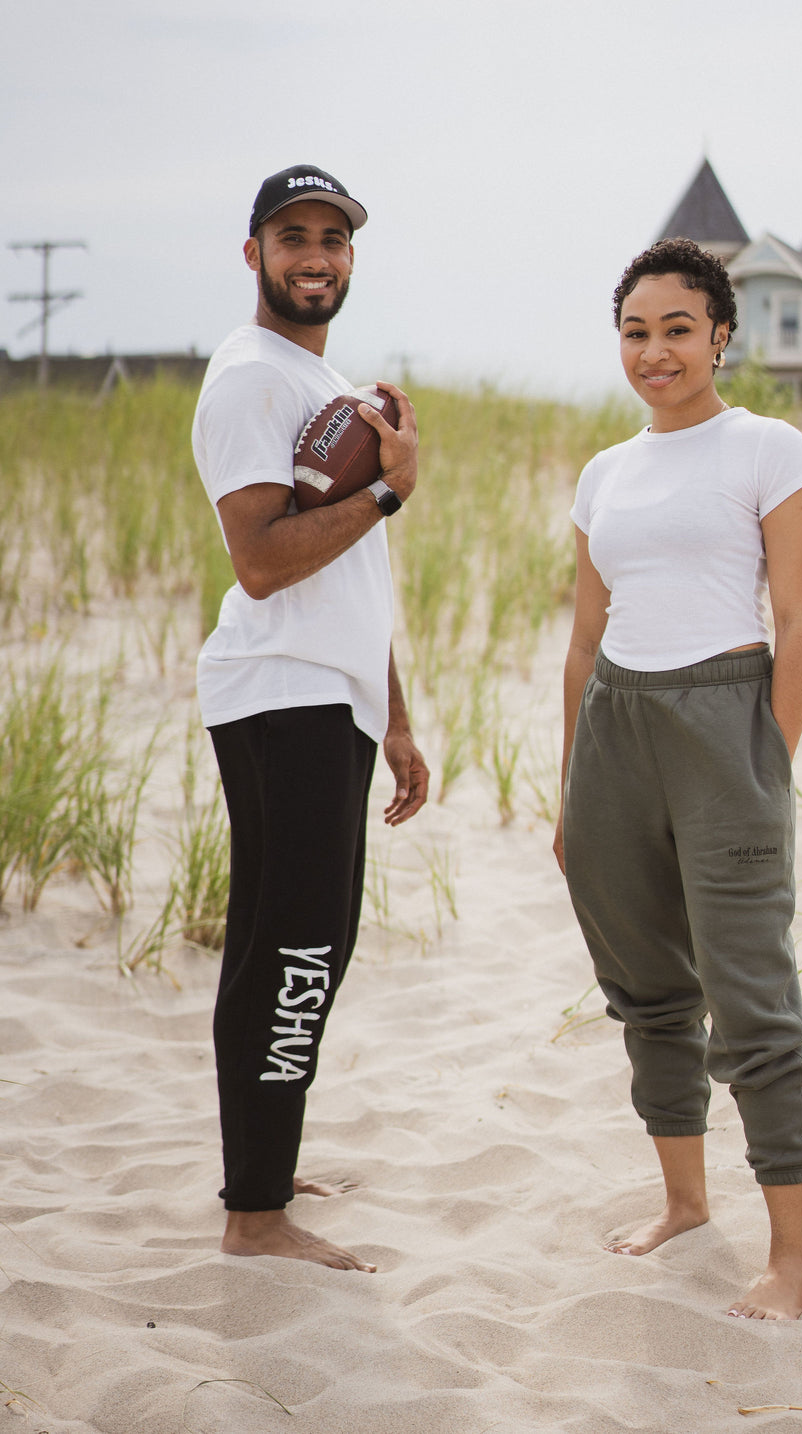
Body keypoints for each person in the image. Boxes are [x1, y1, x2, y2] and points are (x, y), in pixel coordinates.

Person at [553, 237, 802, 1320]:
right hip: (614, 731)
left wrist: (769, 759)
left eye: (677, 329)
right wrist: (571, 786)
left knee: (752, 995)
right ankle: (685, 1202)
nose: (655, 351)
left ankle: (792, 1257)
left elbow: (799, 620)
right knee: (646, 988)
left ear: (720, 336)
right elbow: (584, 640)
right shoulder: (603, 473)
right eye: (635, 331)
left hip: (726, 723)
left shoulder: (769, 448)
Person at [192, 163, 429, 1272]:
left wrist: (395, 716)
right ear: (255, 254)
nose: (316, 257)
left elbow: (351, 578)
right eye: (293, 237)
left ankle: (265, 1168)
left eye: (332, 238)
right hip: (279, 694)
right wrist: (386, 491)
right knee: (291, 952)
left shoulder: (315, 378)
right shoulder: (252, 377)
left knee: (307, 948)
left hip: (329, 698)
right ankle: (255, 1215)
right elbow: (260, 562)